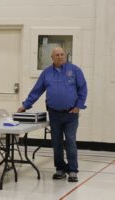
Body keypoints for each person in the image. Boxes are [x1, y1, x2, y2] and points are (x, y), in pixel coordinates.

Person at [17, 47, 87, 182]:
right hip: (54, 114)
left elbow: (83, 89)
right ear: (52, 58)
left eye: (62, 54)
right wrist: (25, 105)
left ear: (65, 56)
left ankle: (73, 170)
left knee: (70, 141)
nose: (60, 57)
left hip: (71, 114)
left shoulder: (75, 70)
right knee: (57, 143)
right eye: (57, 55)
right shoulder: (46, 73)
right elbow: (36, 91)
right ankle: (60, 169)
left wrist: (79, 107)